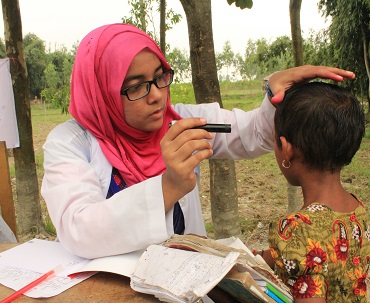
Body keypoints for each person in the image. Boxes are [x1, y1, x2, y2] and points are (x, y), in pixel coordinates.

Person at [41, 23, 356, 260]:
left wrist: (272, 96)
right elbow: (78, 228)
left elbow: (254, 134)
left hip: (183, 280)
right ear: (101, 92)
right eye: (136, 86)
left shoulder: (183, 121)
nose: (156, 96)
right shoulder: (72, 143)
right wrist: (169, 187)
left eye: (160, 76)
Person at [258, 82, 369, 302]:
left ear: (286, 148)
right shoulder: (357, 210)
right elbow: (316, 248)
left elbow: (307, 248)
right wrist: (256, 257)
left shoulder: (296, 228)